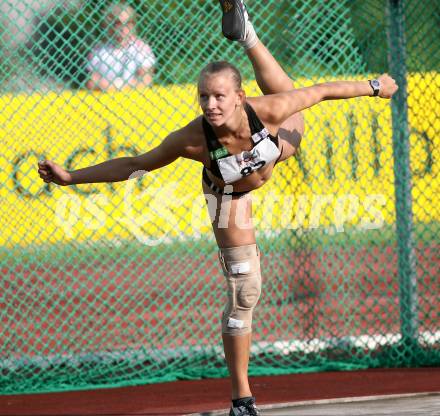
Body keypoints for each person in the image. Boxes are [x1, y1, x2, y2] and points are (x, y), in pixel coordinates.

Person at [38, 1, 398, 415]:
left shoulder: (267, 112)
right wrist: (71, 177)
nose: (211, 104)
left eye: (220, 96)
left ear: (239, 98)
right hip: (229, 195)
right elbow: (135, 164)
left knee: (292, 100)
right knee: (244, 289)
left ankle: (248, 37)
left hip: (276, 152)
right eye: (204, 96)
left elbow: (321, 92)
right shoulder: (191, 140)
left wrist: (374, 86)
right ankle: (242, 399)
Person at [86, 2, 156, 91]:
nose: (122, 28)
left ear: (133, 25)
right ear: (108, 24)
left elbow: (146, 81)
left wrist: (117, 87)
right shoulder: (98, 49)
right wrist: (119, 86)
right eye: (117, 23)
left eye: (128, 23)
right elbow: (91, 82)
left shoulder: (141, 48)